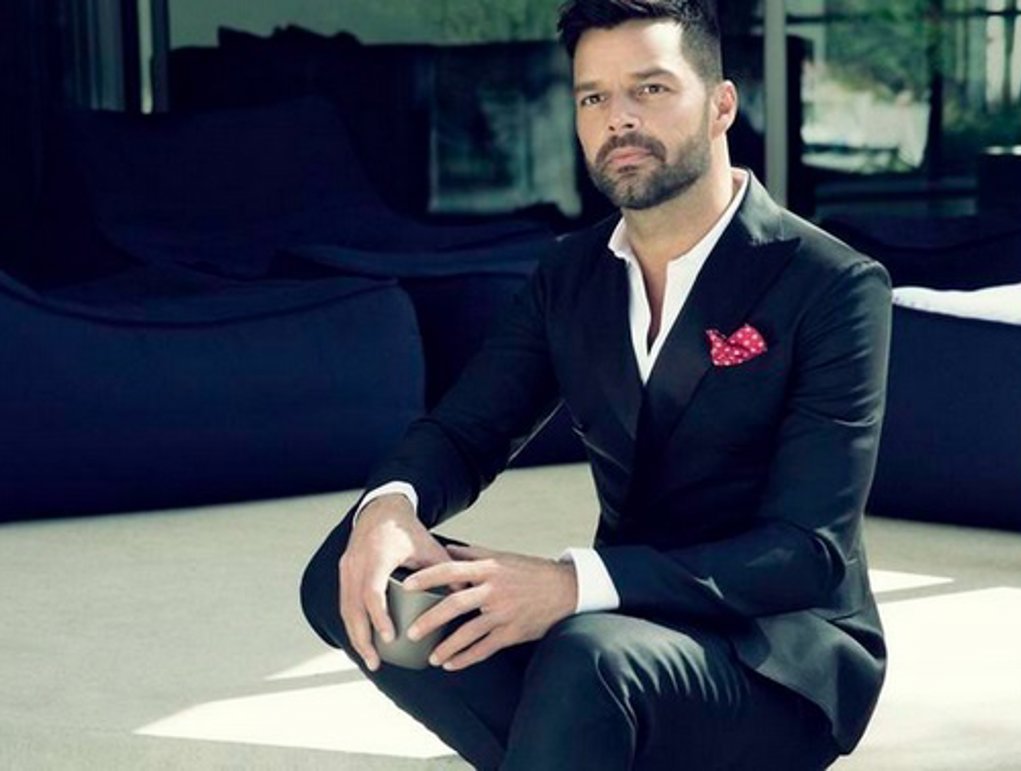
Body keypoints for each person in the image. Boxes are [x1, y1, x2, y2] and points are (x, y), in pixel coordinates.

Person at [300, 1, 891, 768]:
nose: (619, 118)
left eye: (650, 89)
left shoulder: (832, 284)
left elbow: (805, 552)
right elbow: (465, 431)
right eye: (594, 97)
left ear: (721, 106)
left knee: (587, 660)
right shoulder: (570, 274)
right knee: (352, 570)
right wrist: (389, 506)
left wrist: (572, 584)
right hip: (614, 625)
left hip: (776, 654)